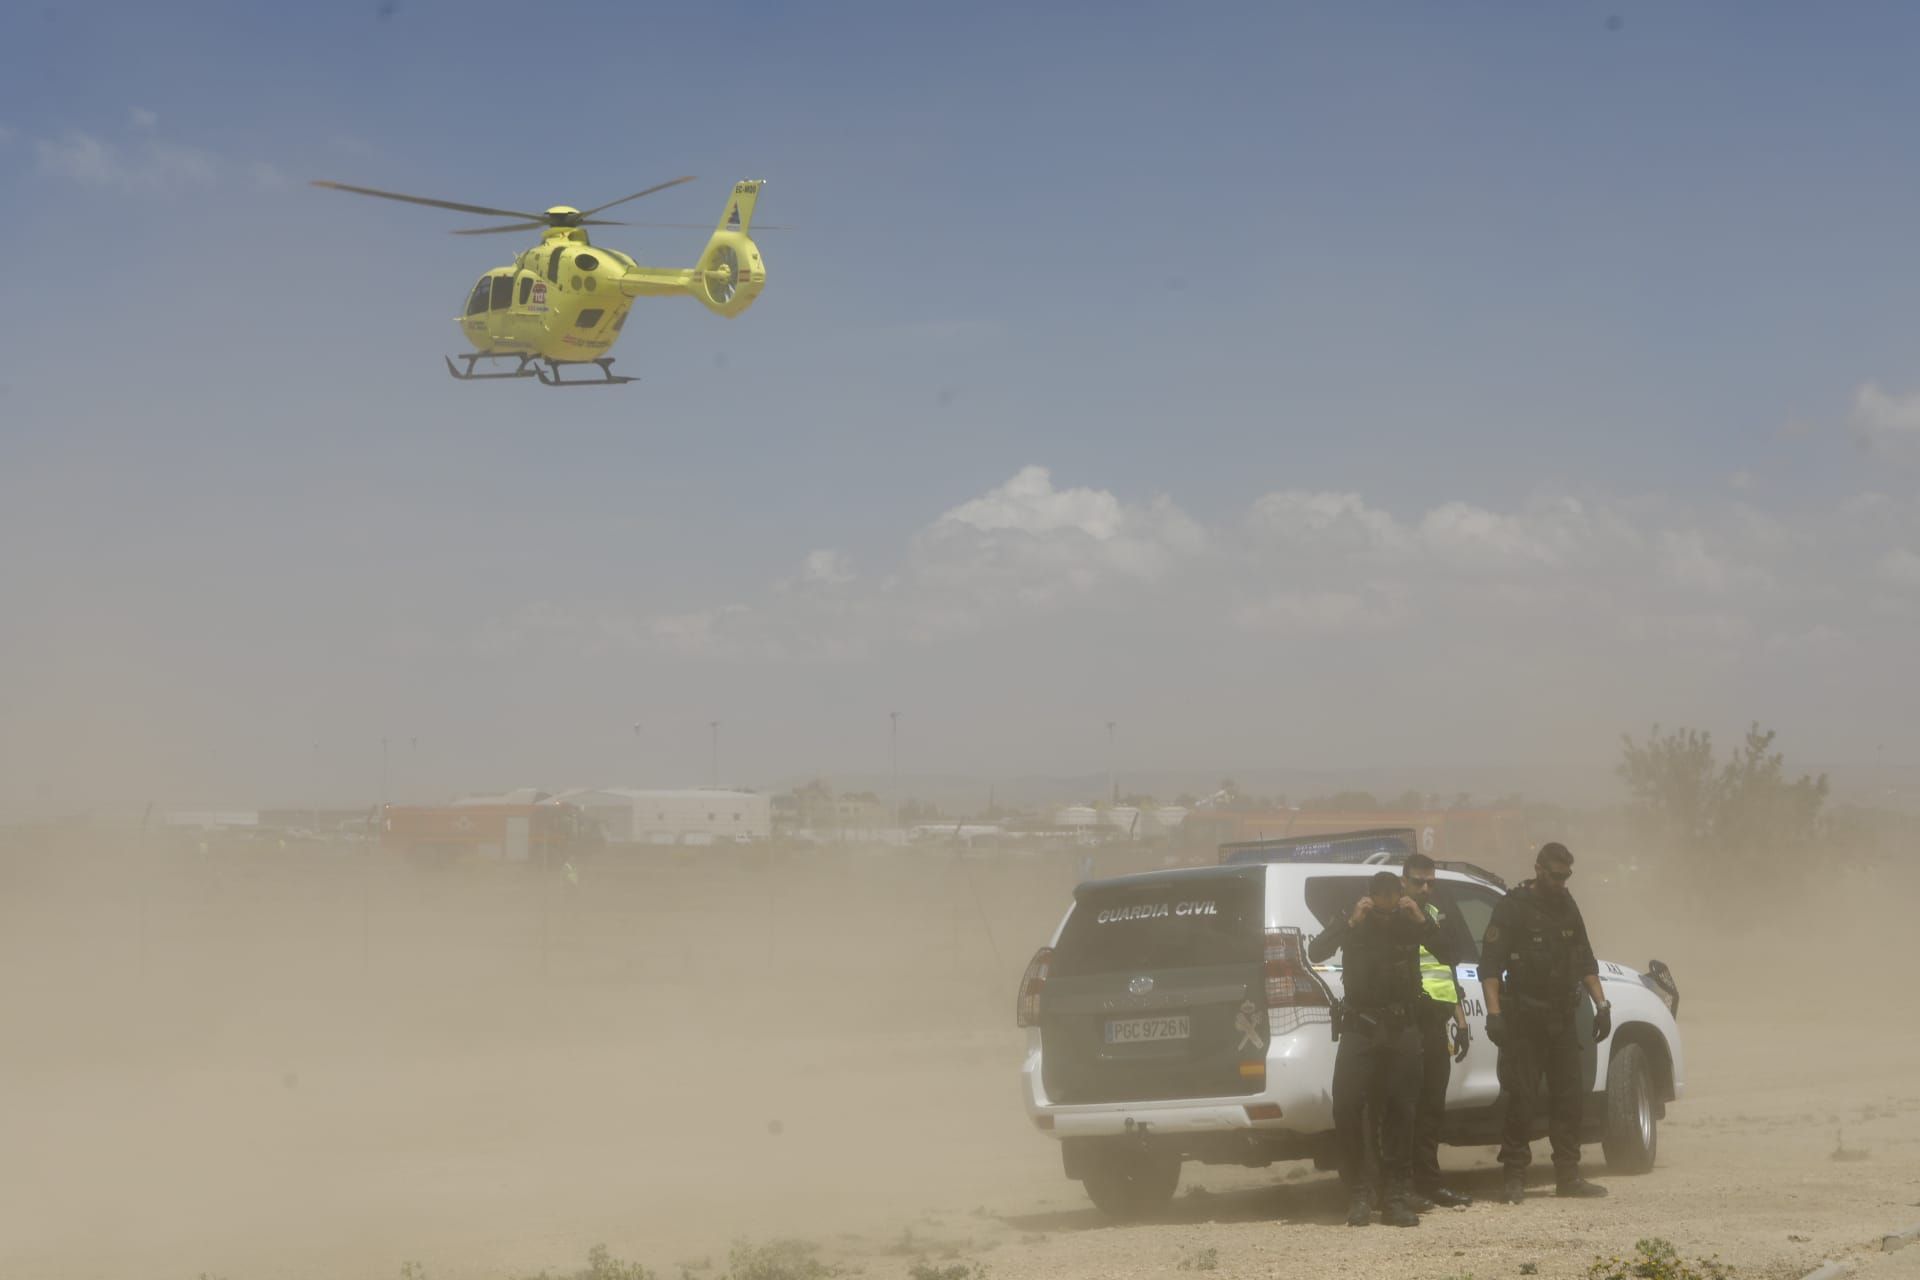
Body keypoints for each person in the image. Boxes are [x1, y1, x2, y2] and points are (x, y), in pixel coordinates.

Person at [1482, 842, 1611, 1203]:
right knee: (1521, 1098)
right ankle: (1514, 1177)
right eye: (1556, 875)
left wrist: (1602, 1005)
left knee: (1569, 1099)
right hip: (1524, 1017)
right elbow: (1490, 966)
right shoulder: (1513, 907)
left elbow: (1585, 960)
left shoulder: (1567, 906)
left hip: (1561, 1018)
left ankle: (1568, 1176)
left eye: (1566, 876)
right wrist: (1494, 1015)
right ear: (1538, 869)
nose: (1561, 882)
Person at [1308, 870, 1434, 1227]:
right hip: (1360, 1027)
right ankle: (1360, 1193)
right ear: (1369, 894)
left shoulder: (1412, 922)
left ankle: (1395, 1196)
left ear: (1400, 894)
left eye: (1392, 893)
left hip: (1401, 1027)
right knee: (1347, 1105)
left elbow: (1448, 948)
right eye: (1379, 893)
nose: (1386, 900)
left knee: (1402, 1110)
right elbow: (1316, 950)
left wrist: (1420, 917)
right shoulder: (1353, 921)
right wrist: (1350, 920)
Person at [1401, 852, 1473, 1210]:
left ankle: (1430, 1183)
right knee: (1404, 1110)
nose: (1425, 888)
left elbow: (1447, 971)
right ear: (1403, 881)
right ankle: (1402, 1186)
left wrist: (1461, 1021)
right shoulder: (1395, 919)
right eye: (1418, 881)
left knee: (1432, 1108)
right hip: (1406, 1022)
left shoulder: (1432, 918)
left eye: (1431, 882)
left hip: (1436, 1022)